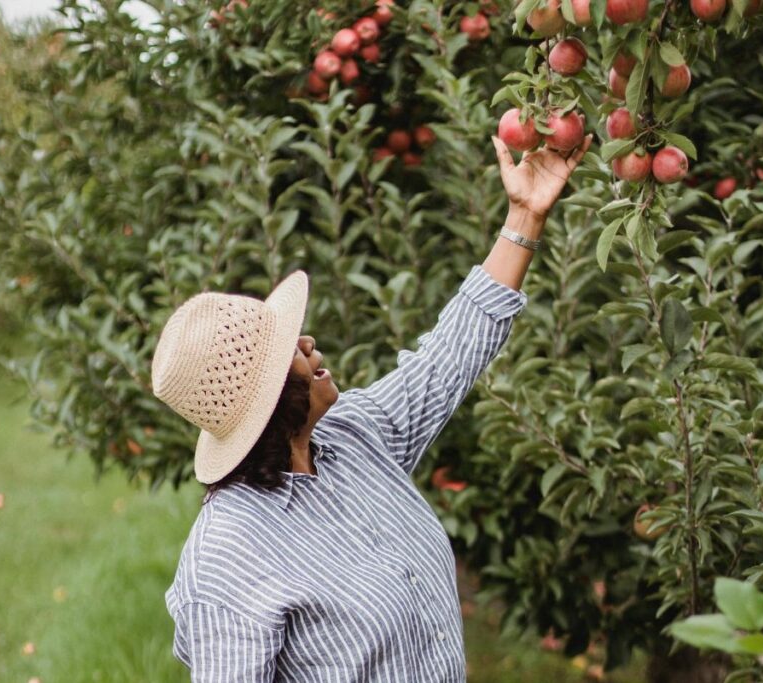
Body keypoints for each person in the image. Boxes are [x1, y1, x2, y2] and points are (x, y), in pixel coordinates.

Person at [150, 132, 593, 681]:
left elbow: (448, 356)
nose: (309, 343)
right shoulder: (230, 556)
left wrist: (524, 216)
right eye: (290, 347)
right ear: (265, 398)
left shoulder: (354, 437)